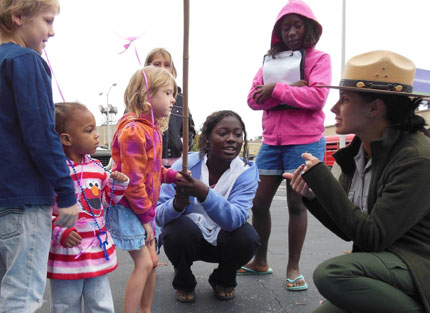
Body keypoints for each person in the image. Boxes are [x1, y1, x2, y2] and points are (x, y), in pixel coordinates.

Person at [284, 50, 430, 313]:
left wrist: (323, 179)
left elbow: (373, 237)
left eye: (344, 99)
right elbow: (350, 230)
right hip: (383, 265)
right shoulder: (360, 152)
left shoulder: (417, 158)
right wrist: (313, 196)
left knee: (333, 274)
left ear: (374, 108)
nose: (333, 108)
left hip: (417, 270)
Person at [239, 0, 331, 291]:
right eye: (285, 26)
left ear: (309, 28)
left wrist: (276, 90)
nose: (291, 31)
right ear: (278, 31)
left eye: (297, 25)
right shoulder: (270, 61)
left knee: (296, 204)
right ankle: (260, 260)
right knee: (258, 202)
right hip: (271, 142)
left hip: (304, 141)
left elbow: (317, 98)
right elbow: (253, 99)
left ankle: (293, 267)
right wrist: (295, 88)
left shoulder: (320, 59)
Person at [0, 1, 79, 312]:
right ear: (18, 17)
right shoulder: (25, 61)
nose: (52, 31)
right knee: (21, 296)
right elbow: (41, 135)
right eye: (47, 21)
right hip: (24, 199)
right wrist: (65, 191)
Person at [156, 110, 260, 303]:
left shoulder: (246, 172)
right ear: (207, 139)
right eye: (223, 133)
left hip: (224, 240)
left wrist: (204, 193)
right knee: (175, 231)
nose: (232, 139)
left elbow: (236, 219)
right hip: (189, 240)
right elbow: (159, 216)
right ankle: (183, 280)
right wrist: (176, 205)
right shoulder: (185, 165)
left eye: (238, 135)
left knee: (248, 237)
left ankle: (223, 279)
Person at [108, 66, 183, 313]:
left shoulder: (152, 130)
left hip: (144, 210)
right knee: (144, 263)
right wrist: (147, 219)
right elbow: (133, 181)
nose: (174, 99)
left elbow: (153, 171)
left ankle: (146, 310)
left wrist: (173, 175)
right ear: (147, 96)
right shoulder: (133, 130)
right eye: (168, 92)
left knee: (152, 263)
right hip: (132, 209)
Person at [48, 102, 129, 313]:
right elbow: (42, 212)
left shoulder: (97, 169)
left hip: (96, 251)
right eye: (89, 130)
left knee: (101, 305)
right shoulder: (53, 172)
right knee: (65, 306)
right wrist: (59, 231)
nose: (96, 135)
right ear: (66, 139)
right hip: (66, 254)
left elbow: (108, 202)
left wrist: (117, 185)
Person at [144, 48, 196, 167]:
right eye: (157, 64)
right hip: (149, 162)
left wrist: (184, 142)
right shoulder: (140, 96)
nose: (162, 68)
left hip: (176, 164)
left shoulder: (180, 99)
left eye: (167, 65)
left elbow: (190, 128)